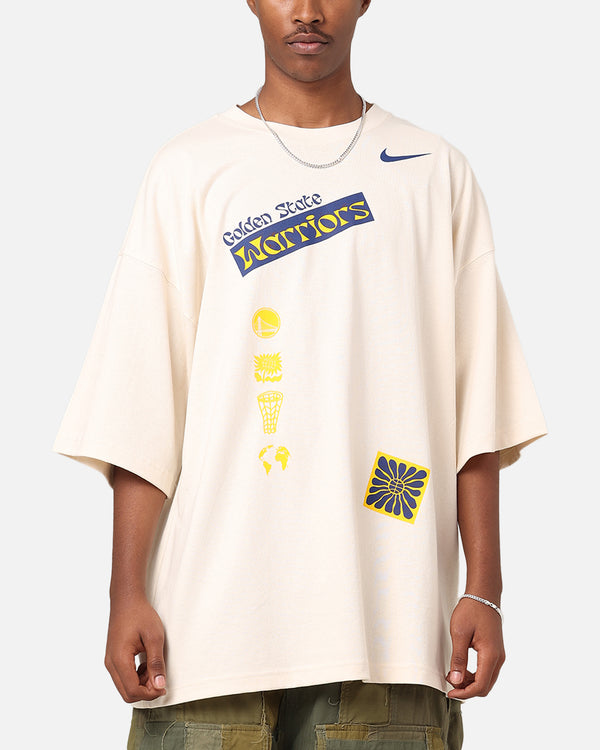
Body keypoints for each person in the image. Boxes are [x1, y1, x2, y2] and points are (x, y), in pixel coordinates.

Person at [52, 1, 548, 748]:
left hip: (386, 622)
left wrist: (486, 588)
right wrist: (126, 593)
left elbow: (478, 399)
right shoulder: (190, 168)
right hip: (207, 629)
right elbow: (142, 398)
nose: (308, 11)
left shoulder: (432, 171)